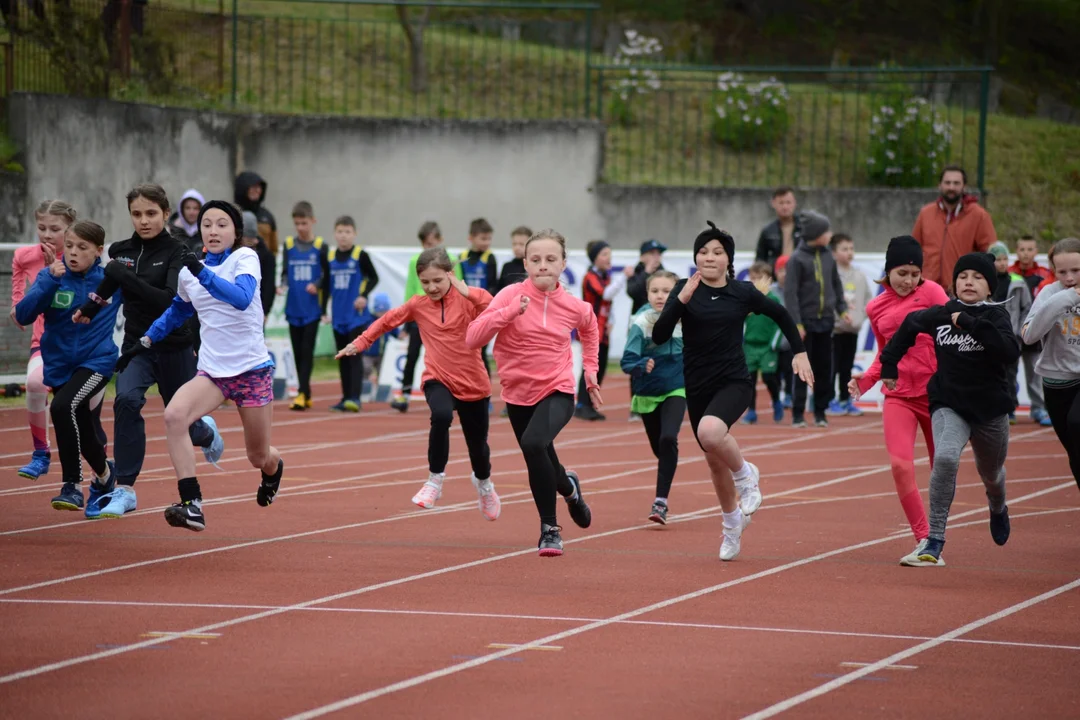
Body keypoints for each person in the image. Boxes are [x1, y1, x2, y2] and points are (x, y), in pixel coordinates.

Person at [653, 222, 811, 561]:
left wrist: (799, 351)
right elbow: (660, 336)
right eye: (703, 251)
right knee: (713, 461)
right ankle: (731, 523)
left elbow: (782, 314)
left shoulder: (743, 292)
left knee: (711, 432)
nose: (709, 257)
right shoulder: (685, 288)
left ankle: (746, 476)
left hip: (734, 381)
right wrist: (679, 302)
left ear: (728, 259)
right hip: (697, 384)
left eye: (717, 252)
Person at [131, 200, 283, 532]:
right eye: (207, 224)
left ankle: (274, 468)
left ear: (236, 232)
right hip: (213, 373)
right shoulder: (190, 270)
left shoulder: (245, 259)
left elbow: (241, 298)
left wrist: (201, 272)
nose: (213, 230)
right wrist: (146, 340)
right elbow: (178, 310)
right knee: (174, 415)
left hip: (251, 371)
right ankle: (192, 503)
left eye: (221, 224)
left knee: (257, 457)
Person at [73, 184, 223, 519]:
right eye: (137, 214)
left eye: (151, 213)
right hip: (136, 345)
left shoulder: (178, 252)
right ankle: (125, 489)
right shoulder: (123, 250)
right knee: (125, 401)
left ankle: (207, 431)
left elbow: (168, 300)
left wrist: (123, 276)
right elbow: (109, 286)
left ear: (166, 214)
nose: (144, 221)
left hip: (174, 345)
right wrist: (89, 308)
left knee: (184, 422)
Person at [878, 252, 1020, 566]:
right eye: (963, 276)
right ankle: (934, 540)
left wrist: (970, 323)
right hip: (949, 403)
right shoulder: (941, 313)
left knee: (992, 474)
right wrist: (889, 364)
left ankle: (998, 506)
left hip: (990, 410)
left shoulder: (996, 317)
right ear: (954, 284)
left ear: (989, 288)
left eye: (978, 277)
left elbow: (1009, 352)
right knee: (944, 457)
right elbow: (909, 326)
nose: (970, 282)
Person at [338, 247, 500, 519]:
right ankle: (434, 480)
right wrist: (360, 342)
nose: (432, 287)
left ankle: (485, 486)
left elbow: (493, 308)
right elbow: (387, 321)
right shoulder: (418, 305)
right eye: (425, 282)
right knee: (440, 415)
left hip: (473, 382)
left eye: (437, 280)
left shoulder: (468, 300)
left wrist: (467, 291)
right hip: (438, 377)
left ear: (450, 275)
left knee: (478, 448)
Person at [466, 229, 600, 557]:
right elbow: (472, 338)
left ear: (563, 264)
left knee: (533, 443)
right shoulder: (509, 296)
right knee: (541, 455)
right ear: (525, 263)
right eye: (536, 260)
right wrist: (508, 313)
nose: (543, 265)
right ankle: (570, 491)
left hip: (557, 389)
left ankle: (550, 529)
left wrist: (591, 372)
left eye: (551, 259)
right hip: (516, 392)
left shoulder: (574, 306)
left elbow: (590, 327)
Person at [848, 236, 950, 566]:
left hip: (937, 394)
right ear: (888, 271)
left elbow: (952, 336)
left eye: (914, 273)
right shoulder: (875, 307)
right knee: (900, 465)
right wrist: (865, 381)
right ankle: (925, 539)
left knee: (943, 468)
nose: (908, 281)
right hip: (899, 395)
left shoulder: (933, 293)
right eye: (901, 273)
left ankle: (938, 534)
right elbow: (884, 354)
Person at [15, 221, 120, 515]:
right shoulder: (53, 277)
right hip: (60, 365)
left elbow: (148, 293)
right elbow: (23, 315)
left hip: (97, 362)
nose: (73, 253)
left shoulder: (110, 280)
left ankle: (72, 486)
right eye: (70, 246)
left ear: (99, 251)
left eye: (82, 248)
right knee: (84, 430)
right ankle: (105, 475)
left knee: (61, 407)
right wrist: (47, 280)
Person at [10, 199, 78, 480]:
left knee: (84, 416)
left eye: (55, 229)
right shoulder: (24, 256)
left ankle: (101, 475)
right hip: (45, 342)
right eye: (41, 228)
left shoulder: (81, 256)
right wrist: (16, 307)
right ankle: (41, 453)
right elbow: (17, 290)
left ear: (70, 229)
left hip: (82, 347)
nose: (47, 235)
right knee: (35, 384)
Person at [621, 270, 685, 523]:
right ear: (647, 294)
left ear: (676, 293)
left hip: (677, 387)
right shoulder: (641, 322)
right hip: (647, 391)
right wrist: (641, 364)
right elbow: (627, 361)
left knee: (669, 437)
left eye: (667, 291)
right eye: (655, 291)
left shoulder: (685, 318)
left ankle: (660, 503)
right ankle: (668, 464)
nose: (660, 296)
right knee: (661, 449)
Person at [1021, 237, 1080, 493]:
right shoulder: (1050, 293)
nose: (1069, 277)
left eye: (1076, 270)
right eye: (1062, 271)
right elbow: (1029, 335)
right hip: (1056, 381)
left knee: (1077, 424)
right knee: (1074, 450)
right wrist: (1065, 298)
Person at [784, 210, 849, 428]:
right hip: (805, 323)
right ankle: (798, 414)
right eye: (826, 231)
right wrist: (797, 322)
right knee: (803, 370)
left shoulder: (828, 256)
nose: (830, 234)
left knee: (824, 369)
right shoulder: (796, 259)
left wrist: (841, 309)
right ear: (815, 233)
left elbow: (836, 285)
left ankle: (820, 412)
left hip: (825, 322)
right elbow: (790, 294)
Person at [911, 165, 997, 294]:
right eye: (947, 183)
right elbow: (913, 251)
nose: (951, 187)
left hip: (960, 292)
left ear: (964, 186)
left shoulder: (979, 215)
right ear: (939, 185)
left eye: (956, 183)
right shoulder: (925, 213)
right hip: (926, 290)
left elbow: (990, 255)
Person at [326, 215, 379, 412]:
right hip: (338, 315)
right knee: (342, 357)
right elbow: (325, 285)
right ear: (335, 234)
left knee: (354, 356)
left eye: (347, 232)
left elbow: (374, 278)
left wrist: (364, 295)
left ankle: (355, 398)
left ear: (354, 234)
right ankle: (345, 396)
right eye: (340, 232)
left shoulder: (360, 255)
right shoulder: (330, 257)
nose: (343, 236)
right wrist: (325, 310)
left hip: (356, 316)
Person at [280, 201, 329, 411]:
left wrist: (317, 285)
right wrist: (282, 285)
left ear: (313, 221)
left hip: (312, 309)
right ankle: (305, 393)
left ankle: (302, 392)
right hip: (293, 308)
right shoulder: (289, 245)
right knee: (297, 351)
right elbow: (284, 272)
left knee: (307, 351)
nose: (300, 227)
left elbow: (327, 276)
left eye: (304, 223)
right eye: (297, 223)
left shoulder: (321, 246)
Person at [576, 240, 631, 421]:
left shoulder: (604, 276)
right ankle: (582, 404)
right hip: (591, 330)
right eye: (604, 254)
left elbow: (608, 303)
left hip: (603, 331)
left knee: (601, 369)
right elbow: (605, 294)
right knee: (591, 368)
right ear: (595, 258)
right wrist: (623, 276)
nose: (609, 258)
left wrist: (611, 320)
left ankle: (590, 404)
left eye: (610, 254)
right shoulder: (590, 277)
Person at [392, 221, 443, 413]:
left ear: (440, 241)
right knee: (412, 355)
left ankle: (448, 394)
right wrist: (407, 319)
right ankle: (404, 394)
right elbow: (410, 291)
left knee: (441, 357)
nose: (429, 248)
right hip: (420, 317)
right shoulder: (415, 262)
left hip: (441, 318)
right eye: (426, 245)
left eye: (433, 243)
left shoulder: (449, 260)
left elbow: (457, 286)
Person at [1010, 235, 1054, 426]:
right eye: (1022, 249)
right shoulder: (1009, 273)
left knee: (1034, 372)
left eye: (1030, 249)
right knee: (1008, 373)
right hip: (1012, 332)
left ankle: (1038, 408)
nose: (1026, 253)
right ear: (1017, 251)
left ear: (1036, 252)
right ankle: (1009, 408)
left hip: (1034, 331)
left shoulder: (1044, 275)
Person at [989, 242, 1032, 423]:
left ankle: (1010, 409)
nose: (1002, 263)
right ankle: (992, 408)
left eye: (1005, 259)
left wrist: (1021, 330)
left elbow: (1027, 308)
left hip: (1011, 337)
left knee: (1010, 374)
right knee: (991, 373)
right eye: (998, 259)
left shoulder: (1017, 282)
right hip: (989, 337)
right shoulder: (984, 281)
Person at [828, 233, 870, 417]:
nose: (849, 252)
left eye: (851, 248)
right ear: (834, 253)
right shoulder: (831, 275)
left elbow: (868, 299)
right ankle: (829, 400)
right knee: (832, 367)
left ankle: (845, 400)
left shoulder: (859, 276)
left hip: (852, 330)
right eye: (844, 249)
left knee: (847, 367)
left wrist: (861, 316)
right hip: (834, 330)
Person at [456, 218, 498, 385]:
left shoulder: (490, 258)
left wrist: (484, 301)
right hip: (465, 311)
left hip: (483, 310)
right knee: (464, 352)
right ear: (471, 238)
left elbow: (494, 285)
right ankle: (465, 388)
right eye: (483, 238)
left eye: (489, 238)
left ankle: (484, 390)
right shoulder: (462, 257)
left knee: (480, 352)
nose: (486, 242)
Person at [742, 262, 784, 424]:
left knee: (768, 376)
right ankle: (751, 411)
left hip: (767, 347)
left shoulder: (773, 299)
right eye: (752, 278)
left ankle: (776, 401)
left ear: (768, 279)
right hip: (750, 346)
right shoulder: (747, 301)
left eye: (759, 278)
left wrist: (773, 344)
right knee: (749, 380)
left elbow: (780, 323)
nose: (755, 281)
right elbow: (740, 322)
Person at [240, 210, 277, 321]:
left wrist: (265, 311)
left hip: (256, 312)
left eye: (249, 238)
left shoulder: (266, 256)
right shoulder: (231, 254)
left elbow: (269, 285)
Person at [754, 186, 801, 269]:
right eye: (781, 203)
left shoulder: (805, 227)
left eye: (788, 202)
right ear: (773, 203)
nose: (785, 207)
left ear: (795, 203)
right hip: (775, 277)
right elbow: (760, 260)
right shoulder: (767, 231)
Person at [234, 171, 278, 254]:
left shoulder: (267, 216)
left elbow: (274, 249)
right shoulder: (231, 214)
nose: (257, 190)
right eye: (253, 186)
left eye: (259, 187)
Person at [772, 254, 794, 411]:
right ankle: (777, 393)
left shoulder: (796, 291)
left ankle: (788, 394)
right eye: (781, 270)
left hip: (789, 338)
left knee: (790, 368)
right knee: (774, 369)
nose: (784, 274)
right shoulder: (771, 291)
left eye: (788, 270)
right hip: (772, 339)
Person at [626, 239, 667, 314]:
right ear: (642, 257)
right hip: (638, 316)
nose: (656, 257)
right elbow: (632, 292)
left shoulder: (665, 274)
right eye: (652, 253)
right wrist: (646, 272)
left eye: (659, 254)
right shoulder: (635, 272)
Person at [169, 188, 206, 254]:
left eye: (195, 208)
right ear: (181, 209)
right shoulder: (170, 232)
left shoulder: (207, 231)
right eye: (187, 208)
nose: (191, 212)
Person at [495, 226, 530, 294]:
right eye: (514, 244)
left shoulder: (532, 267)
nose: (517, 248)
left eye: (521, 244)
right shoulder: (507, 266)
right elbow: (499, 291)